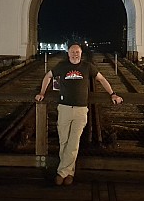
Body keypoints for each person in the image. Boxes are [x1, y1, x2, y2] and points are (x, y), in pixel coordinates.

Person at [35, 42, 123, 186]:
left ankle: (61, 173)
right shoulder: (61, 66)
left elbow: (101, 79)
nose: (75, 54)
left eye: (77, 52)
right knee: (64, 141)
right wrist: (42, 92)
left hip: (81, 110)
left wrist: (112, 94)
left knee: (74, 142)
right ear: (68, 53)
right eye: (72, 51)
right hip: (64, 108)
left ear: (81, 53)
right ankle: (70, 173)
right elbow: (48, 76)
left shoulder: (87, 67)